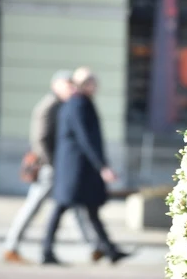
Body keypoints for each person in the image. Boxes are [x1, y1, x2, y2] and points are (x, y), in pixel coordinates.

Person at [3, 70, 100, 264]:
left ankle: (94, 247)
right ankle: (11, 246)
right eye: (67, 85)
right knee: (34, 206)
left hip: (59, 166)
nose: (71, 88)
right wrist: (54, 165)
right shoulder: (49, 106)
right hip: (49, 167)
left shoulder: (64, 105)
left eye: (72, 85)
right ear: (56, 85)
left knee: (74, 205)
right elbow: (40, 139)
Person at [42, 67, 130, 265]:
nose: (96, 87)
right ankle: (47, 251)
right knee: (63, 207)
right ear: (86, 84)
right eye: (93, 83)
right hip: (76, 168)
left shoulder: (77, 103)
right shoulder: (79, 104)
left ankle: (110, 250)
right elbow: (86, 138)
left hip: (76, 167)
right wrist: (102, 166)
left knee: (89, 209)